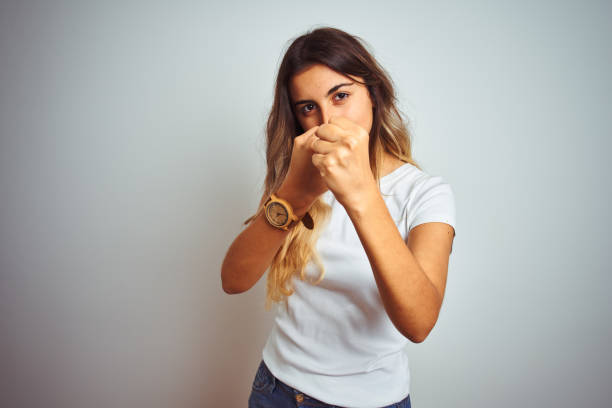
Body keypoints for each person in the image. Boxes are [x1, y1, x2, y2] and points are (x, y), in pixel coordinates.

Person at [221, 26, 456, 408]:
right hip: (276, 390)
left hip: (371, 402)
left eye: (341, 96)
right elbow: (233, 279)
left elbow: (419, 322)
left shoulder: (425, 193)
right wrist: (295, 195)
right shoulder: (298, 177)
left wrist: (362, 193)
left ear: (374, 95)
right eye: (308, 107)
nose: (327, 119)